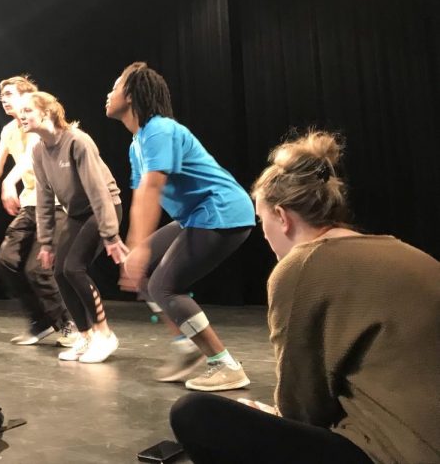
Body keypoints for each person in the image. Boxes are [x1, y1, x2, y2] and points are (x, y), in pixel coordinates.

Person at [170, 130, 440, 463]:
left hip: (394, 452)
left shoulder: (302, 267)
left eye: (262, 221)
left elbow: (303, 409)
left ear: (282, 217)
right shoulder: (405, 252)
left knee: (195, 414)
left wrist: (270, 417)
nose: (264, 235)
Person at [106, 62, 254, 391]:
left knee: (163, 285)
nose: (108, 94)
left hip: (221, 210)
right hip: (196, 216)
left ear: (130, 95)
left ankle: (225, 364)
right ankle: (187, 347)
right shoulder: (137, 144)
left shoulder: (159, 129)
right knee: (142, 272)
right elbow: (140, 194)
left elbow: (152, 189)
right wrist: (137, 250)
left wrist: (141, 245)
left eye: (115, 87)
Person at [22, 92, 127, 363]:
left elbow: (97, 190)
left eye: (27, 110)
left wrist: (110, 234)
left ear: (46, 113)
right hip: (77, 212)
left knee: (74, 267)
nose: (21, 116)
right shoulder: (38, 150)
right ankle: (86, 336)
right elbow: (44, 197)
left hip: (104, 206)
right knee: (59, 272)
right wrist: (46, 242)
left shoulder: (78, 141)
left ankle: (104, 334)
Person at [0, 76, 75, 346]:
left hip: (53, 205)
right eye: (1, 95)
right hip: (30, 204)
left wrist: (10, 181)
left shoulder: (38, 123)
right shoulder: (8, 130)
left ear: (28, 96)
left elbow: (32, 154)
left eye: (9, 93)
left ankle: (68, 325)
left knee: (37, 269)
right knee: (6, 261)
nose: (4, 99)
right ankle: (40, 321)